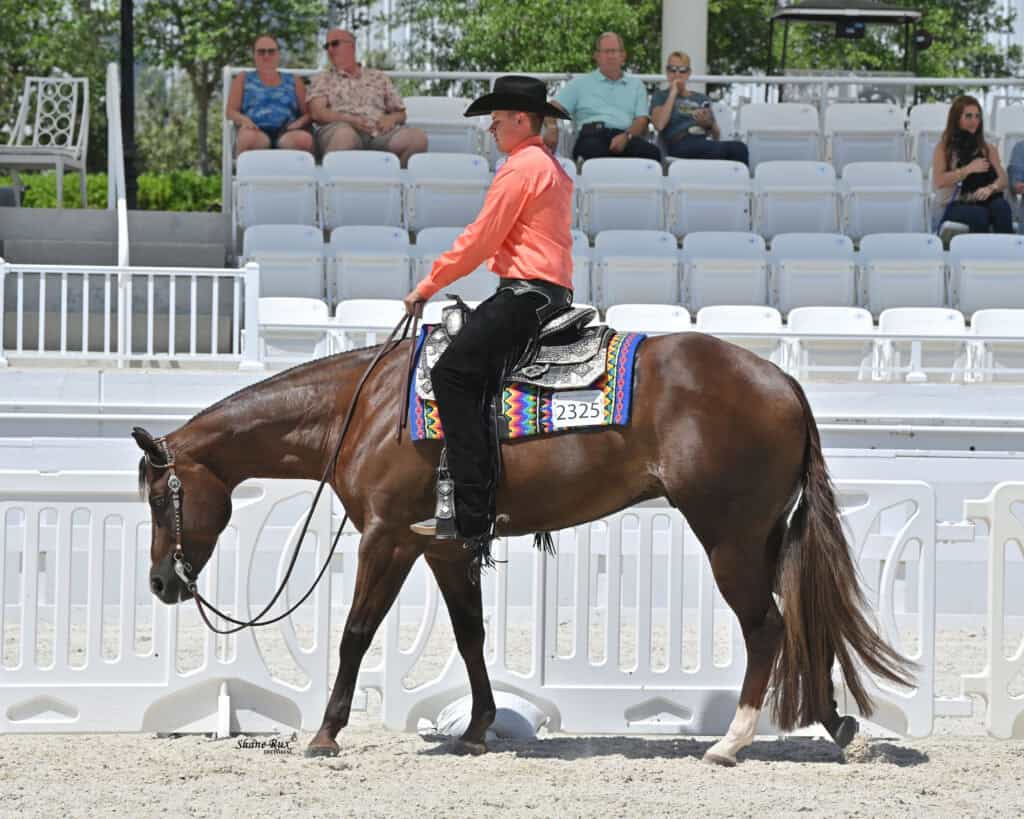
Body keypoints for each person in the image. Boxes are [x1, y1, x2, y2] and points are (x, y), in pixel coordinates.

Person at [402, 76, 574, 546]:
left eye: (497, 121)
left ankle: (471, 510)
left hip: (524, 293)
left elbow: (480, 239)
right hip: (549, 292)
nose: (491, 130)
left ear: (522, 119)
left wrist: (428, 285)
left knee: (452, 375)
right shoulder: (551, 167)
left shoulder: (521, 168)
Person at [308, 28, 427, 166]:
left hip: (378, 133)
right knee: (344, 136)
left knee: (417, 139)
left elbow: (401, 113)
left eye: (334, 44)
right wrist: (350, 120)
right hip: (339, 129)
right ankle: (334, 186)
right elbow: (317, 113)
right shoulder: (323, 78)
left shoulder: (378, 77)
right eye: (326, 46)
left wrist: (391, 118)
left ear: (351, 46)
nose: (329, 49)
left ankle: (389, 184)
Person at [543, 32, 660, 163]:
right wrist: (552, 128)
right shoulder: (580, 83)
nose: (610, 56)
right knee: (594, 152)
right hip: (592, 136)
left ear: (623, 56)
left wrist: (627, 136)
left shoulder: (636, 85)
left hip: (626, 137)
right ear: (597, 56)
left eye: (614, 51)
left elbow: (642, 120)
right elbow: (551, 108)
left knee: (653, 154)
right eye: (606, 51)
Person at [932, 95, 1012, 243]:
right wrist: (968, 169)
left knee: (1001, 207)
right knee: (979, 215)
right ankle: (978, 259)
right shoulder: (943, 148)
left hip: (982, 201)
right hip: (953, 204)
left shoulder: (988, 148)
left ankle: (1007, 257)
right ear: (957, 119)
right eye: (968, 116)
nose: (974, 121)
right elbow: (939, 181)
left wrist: (991, 188)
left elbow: (1003, 179)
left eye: (977, 116)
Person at [650, 51, 748, 165]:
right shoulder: (660, 96)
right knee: (735, 149)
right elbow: (659, 125)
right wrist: (673, 93)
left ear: (688, 73)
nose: (677, 74)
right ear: (667, 72)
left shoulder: (701, 98)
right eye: (672, 69)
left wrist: (708, 124)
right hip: (679, 143)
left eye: (682, 70)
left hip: (702, 141)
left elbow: (716, 135)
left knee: (740, 148)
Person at [225, 34, 314, 156]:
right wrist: (244, 120)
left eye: (271, 51)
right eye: (261, 52)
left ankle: (298, 175)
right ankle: (248, 175)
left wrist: (298, 124)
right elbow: (230, 112)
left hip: (287, 132)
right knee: (248, 139)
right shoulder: (243, 78)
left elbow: (308, 114)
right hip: (255, 130)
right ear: (254, 55)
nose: (266, 56)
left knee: (304, 140)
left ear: (278, 54)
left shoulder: (294, 80)